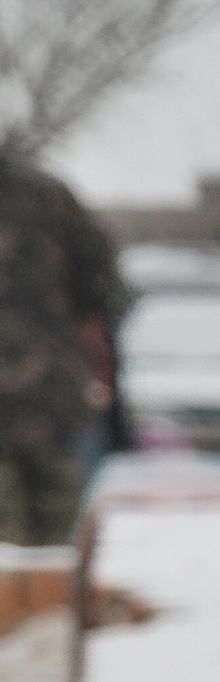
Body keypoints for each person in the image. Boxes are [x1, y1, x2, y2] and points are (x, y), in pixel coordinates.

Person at [0, 147, 119, 542]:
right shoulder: (46, 192)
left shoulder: (44, 192)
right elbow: (97, 278)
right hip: (47, 387)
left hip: (43, 387)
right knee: (56, 531)